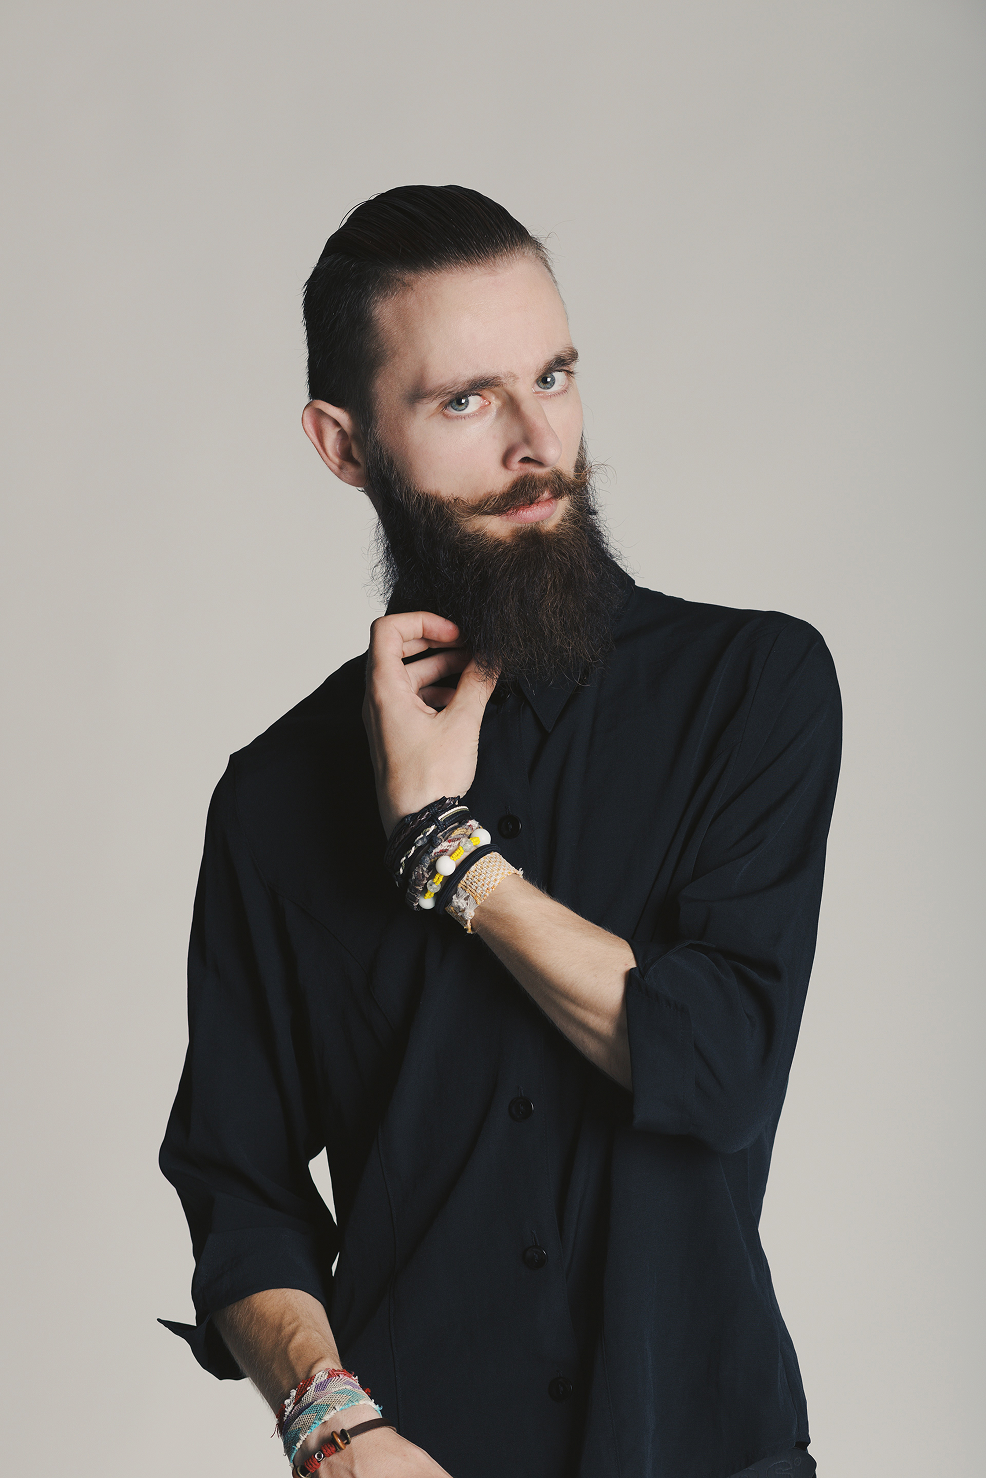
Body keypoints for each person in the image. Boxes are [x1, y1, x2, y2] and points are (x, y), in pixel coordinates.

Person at [160, 184, 841, 1478]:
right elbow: (235, 1185)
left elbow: (713, 1061)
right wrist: (329, 1422)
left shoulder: (752, 689)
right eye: (466, 401)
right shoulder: (273, 796)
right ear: (345, 443)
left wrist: (445, 848)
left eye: (554, 376)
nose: (539, 441)